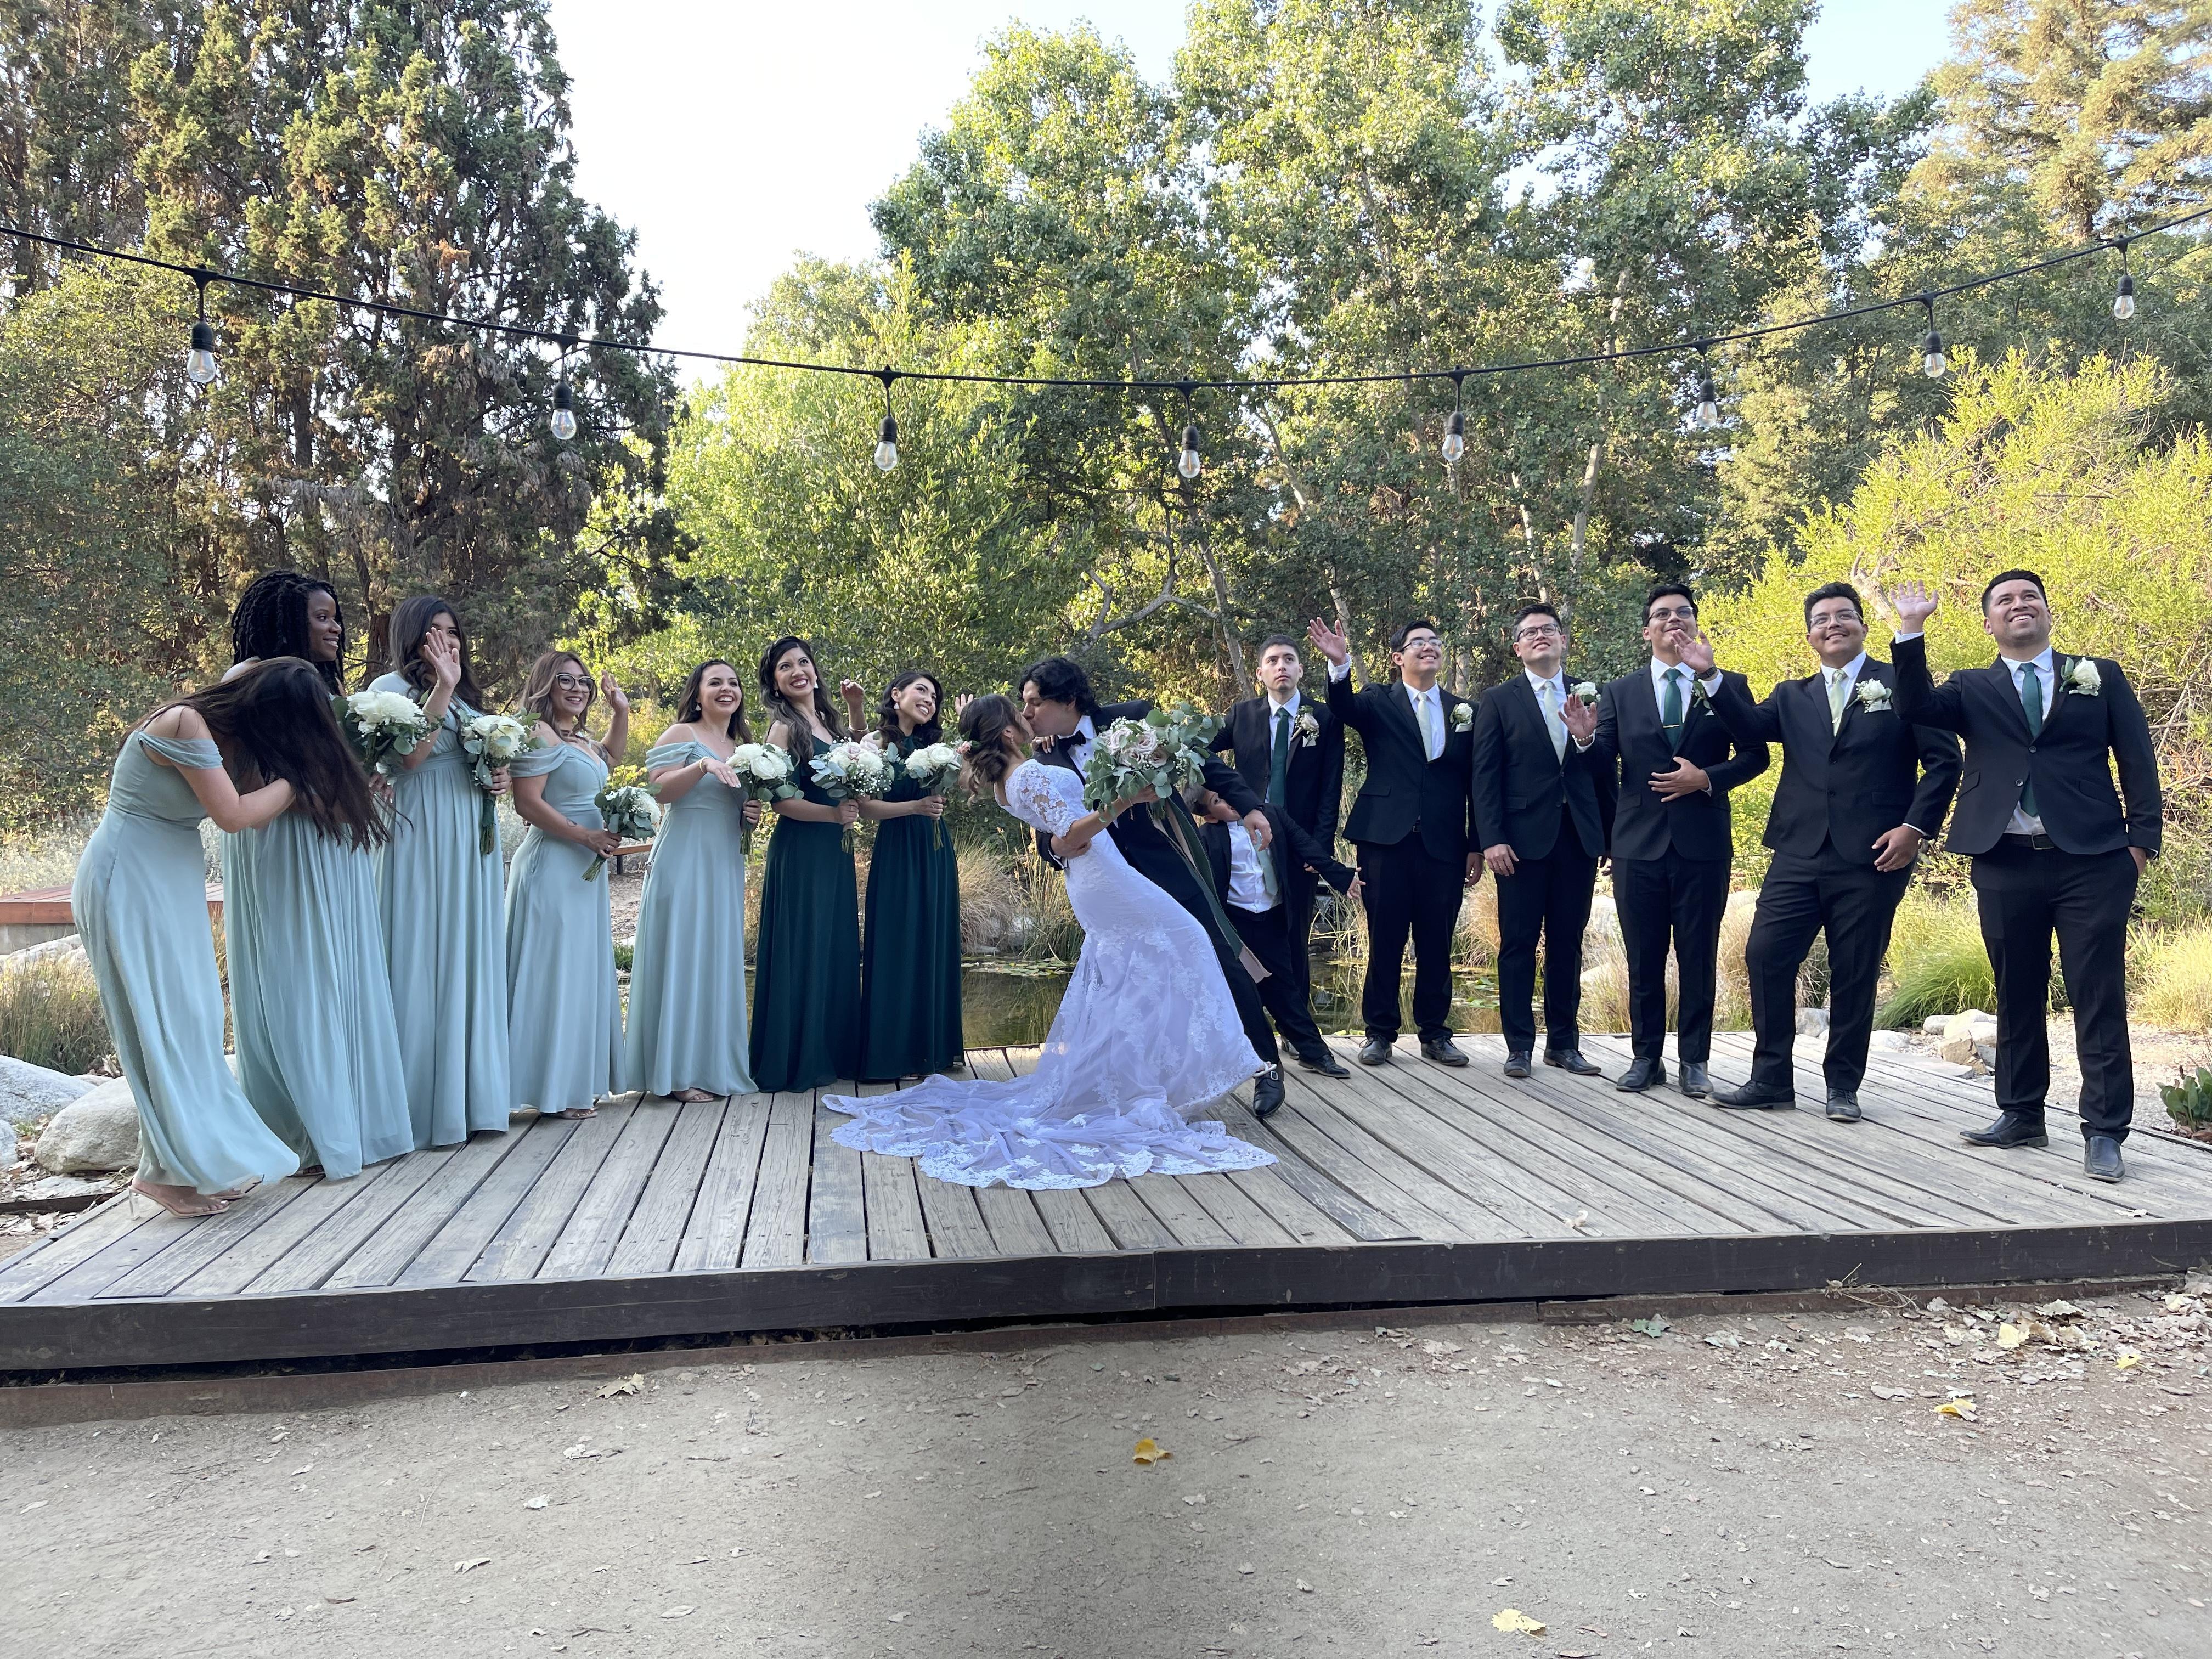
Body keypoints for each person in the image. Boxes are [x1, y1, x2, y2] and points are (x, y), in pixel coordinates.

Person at [820, 696, 1272, 1187]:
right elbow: (1071, 834)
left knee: (1128, 970)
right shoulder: (1029, 775)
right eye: (1020, 713)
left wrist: (1125, 793)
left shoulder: (1007, 782)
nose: (1028, 715)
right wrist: (1124, 800)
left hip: (1092, 878)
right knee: (1188, 938)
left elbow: (1069, 825)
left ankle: (1136, 1075)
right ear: (1008, 732)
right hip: (1103, 875)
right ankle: (1166, 1073)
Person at [1885, 572, 2162, 1182]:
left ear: (2047, 612)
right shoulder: (1970, 687)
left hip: (2093, 860)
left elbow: (2138, 760)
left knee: (2098, 994)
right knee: (2017, 989)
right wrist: (1910, 630)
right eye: (2005, 601)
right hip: (2004, 858)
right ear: (1989, 623)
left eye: (2029, 597)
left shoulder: (2098, 675)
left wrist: (2140, 846)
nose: (2019, 605)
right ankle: (2021, 1114)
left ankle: (2105, 1132)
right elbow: (1914, 707)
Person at [70, 664, 337, 1215]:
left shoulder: (236, 740)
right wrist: (299, 778)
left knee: (195, 1017)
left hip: (169, 876)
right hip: (127, 874)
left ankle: (191, 1166)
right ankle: (164, 1176)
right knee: (157, 1021)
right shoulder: (185, 722)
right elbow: (235, 816)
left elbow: (261, 813)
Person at [1696, 583, 1961, 1121]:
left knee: (1855, 969)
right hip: (1798, 850)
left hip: (1875, 853)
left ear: (1862, 626)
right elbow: (1748, 726)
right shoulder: (1792, 696)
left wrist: (1914, 829)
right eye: (1821, 619)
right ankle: (1770, 1079)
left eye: (1844, 615)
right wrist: (1710, 675)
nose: (1833, 624)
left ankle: (1843, 1086)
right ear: (1810, 636)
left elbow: (1944, 762)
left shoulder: (1900, 684)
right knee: (1765, 954)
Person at [1018, 655, 1287, 1116]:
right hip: (1109, 884)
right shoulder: (1043, 759)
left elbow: (1205, 763)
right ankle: (1141, 1081)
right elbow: (1045, 835)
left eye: (1035, 702)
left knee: (1219, 955)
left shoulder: (1133, 720)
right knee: (1127, 981)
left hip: (1167, 863)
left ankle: (1266, 1066)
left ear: (1068, 700)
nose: (1027, 713)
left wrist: (1249, 808)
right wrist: (1056, 850)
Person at [221, 571, 413, 1178]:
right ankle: (305, 1131)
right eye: (322, 617)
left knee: (344, 971)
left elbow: (333, 763)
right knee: (299, 973)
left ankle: (351, 1121)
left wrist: (363, 780)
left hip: (335, 844)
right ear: (285, 621)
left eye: (336, 617)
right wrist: (323, 797)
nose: (335, 628)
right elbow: (239, 776)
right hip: (284, 842)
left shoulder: (322, 685)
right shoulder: (246, 679)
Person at [1584, 584, 1768, 1098]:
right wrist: (1583, 739)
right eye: (1662, 615)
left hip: (1702, 844)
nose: (1673, 620)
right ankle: (1645, 1058)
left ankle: (1695, 1061)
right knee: (1642, 957)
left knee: (1698, 955)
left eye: (1683, 613)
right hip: (1636, 845)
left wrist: (1706, 779)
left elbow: (1756, 755)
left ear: (1695, 624)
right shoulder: (1620, 692)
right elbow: (1601, 763)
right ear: (1647, 631)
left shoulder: (1726, 685)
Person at [368, 596, 513, 1147]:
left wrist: (497, 775)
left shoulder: (468, 701)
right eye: (435, 631)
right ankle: (418, 1104)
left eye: (453, 632)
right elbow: (408, 758)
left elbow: (478, 759)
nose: (447, 641)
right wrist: (444, 687)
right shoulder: (389, 690)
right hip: (420, 826)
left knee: (468, 951)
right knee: (421, 946)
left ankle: (473, 1098)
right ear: (412, 636)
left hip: (470, 833)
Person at [1304, 615, 1478, 1068]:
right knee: (1386, 937)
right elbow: (1343, 706)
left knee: (1438, 940)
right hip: (1385, 840)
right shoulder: (1378, 700)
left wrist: (1476, 844)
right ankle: (1379, 1033)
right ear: (1398, 658)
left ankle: (1436, 1034)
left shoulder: (1464, 711)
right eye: (1418, 642)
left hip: (1445, 843)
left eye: (1435, 641)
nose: (1429, 646)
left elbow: (1477, 784)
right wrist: (1339, 664)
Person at [1469, 602, 1611, 1081]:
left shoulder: (1591, 694)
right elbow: (1484, 775)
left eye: (1548, 629)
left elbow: (1606, 771)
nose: (1540, 636)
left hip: (1578, 837)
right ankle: (1519, 1047)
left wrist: (1588, 743)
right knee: (1518, 943)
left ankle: (1564, 1045)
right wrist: (1491, 838)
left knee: (1568, 943)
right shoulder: (1498, 700)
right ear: (1517, 648)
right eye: (1529, 632)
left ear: (1564, 640)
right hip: (1519, 843)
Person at [1207, 632, 1350, 1076]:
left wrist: (1320, 846)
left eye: (1289, 659)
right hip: (1247, 838)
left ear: (1301, 669)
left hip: (1297, 841)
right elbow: (1198, 751)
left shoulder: (1323, 718)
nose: (1281, 666)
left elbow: (1330, 787)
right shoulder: (1242, 715)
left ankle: (1297, 1033)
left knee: (1294, 937)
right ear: (1260, 672)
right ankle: (1245, 1034)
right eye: (1272, 660)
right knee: (1244, 936)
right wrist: (1207, 804)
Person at [624, 659, 764, 1102]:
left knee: (716, 958)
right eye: (715, 682)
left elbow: (741, 810)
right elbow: (658, 791)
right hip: (684, 858)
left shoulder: (744, 746)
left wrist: (752, 816)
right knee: (683, 955)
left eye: (733, 683)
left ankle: (713, 1065)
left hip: (725, 861)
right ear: (698, 694)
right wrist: (702, 766)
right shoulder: (681, 734)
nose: (727, 689)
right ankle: (677, 1073)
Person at [505, 650, 629, 1119]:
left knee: (578, 972)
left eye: (583, 682)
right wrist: (586, 836)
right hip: (553, 865)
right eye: (566, 680)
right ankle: (550, 1091)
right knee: (552, 973)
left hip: (584, 871)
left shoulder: (579, 739)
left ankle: (573, 1081)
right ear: (545, 684)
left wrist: (621, 712)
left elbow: (611, 757)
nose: (577, 689)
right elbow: (527, 803)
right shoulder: (537, 732)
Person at [749, 635, 862, 1092]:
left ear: (815, 671)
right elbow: (780, 801)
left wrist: (855, 708)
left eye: (803, 663)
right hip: (801, 849)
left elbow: (861, 757)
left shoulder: (829, 723)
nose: (797, 671)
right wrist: (834, 815)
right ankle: (796, 1057)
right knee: (803, 945)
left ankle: (832, 1050)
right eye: (785, 667)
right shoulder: (783, 728)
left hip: (835, 851)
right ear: (775, 683)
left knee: (833, 943)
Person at [1190, 787, 1361, 1075]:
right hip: (1235, 922)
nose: (1230, 801)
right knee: (1241, 994)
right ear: (1209, 817)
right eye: (1218, 801)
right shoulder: (1207, 837)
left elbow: (1306, 845)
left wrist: (1342, 877)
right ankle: (1253, 1061)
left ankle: (1314, 1052)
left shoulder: (1271, 815)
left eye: (1228, 792)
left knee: (1285, 988)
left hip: (1272, 916)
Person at [845, 669, 964, 1081]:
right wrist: (915, 808)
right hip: (898, 848)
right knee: (899, 940)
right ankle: (894, 1054)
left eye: (935, 696)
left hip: (936, 850)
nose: (930, 700)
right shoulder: (875, 744)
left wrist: (966, 745)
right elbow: (865, 808)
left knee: (934, 939)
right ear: (896, 695)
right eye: (921, 691)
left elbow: (967, 786)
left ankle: (932, 1051)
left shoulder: (936, 748)